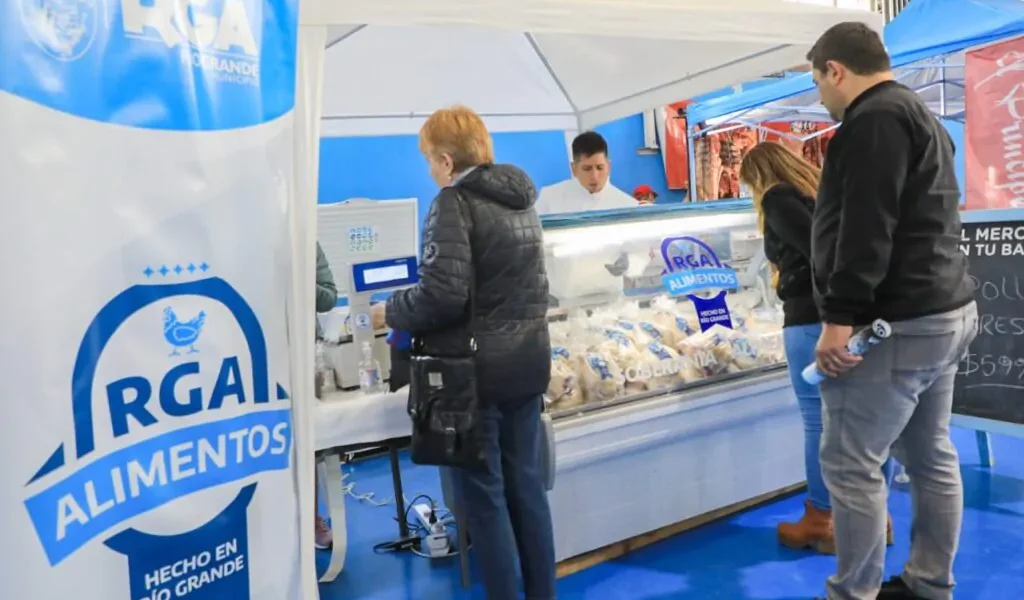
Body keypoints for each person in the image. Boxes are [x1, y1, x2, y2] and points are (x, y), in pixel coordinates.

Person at [805, 23, 976, 600]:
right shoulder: (922, 116)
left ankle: (853, 593)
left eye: (818, 82)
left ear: (836, 70)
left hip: (896, 321)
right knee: (929, 453)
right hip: (944, 308)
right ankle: (930, 582)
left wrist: (838, 319)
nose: (820, 97)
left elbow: (866, 229)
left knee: (850, 461)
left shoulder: (873, 121)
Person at [382, 105, 556, 600]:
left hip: (477, 375)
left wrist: (390, 310)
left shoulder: (453, 203)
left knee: (485, 499)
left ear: (445, 160)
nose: (430, 171)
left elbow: (442, 294)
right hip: (527, 364)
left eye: (429, 160)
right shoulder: (522, 202)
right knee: (528, 490)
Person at [739, 142, 897, 555]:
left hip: (812, 322)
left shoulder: (776, 198)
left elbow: (819, 252)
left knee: (818, 421)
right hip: (855, 318)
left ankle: (823, 518)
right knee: (869, 418)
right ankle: (876, 515)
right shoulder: (825, 195)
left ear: (758, 176)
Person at [535, 131, 636, 215]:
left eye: (600, 168)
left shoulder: (628, 206)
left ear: (608, 166)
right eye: (587, 169)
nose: (594, 176)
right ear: (574, 168)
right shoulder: (549, 198)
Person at [314, 241, 338, 550]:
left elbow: (329, 298)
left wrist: (296, 275)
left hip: (303, 353)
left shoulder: (306, 240)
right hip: (251, 348)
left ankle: (311, 519)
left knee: (311, 445)